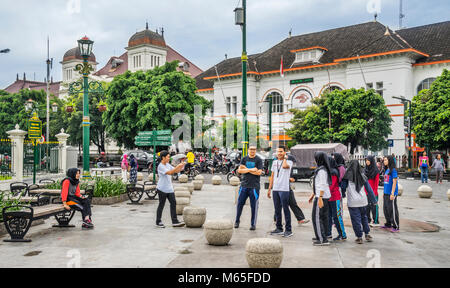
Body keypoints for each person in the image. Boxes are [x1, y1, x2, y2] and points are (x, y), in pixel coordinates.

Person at [341, 160, 373, 244]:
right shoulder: (363, 176)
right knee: (364, 218)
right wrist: (374, 200)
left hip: (353, 202)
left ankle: (359, 237)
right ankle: (367, 234)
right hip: (363, 201)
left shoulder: (347, 177)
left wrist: (343, 194)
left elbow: (343, 187)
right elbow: (369, 189)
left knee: (356, 220)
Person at [267, 146, 294, 238]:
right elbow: (273, 176)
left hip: (284, 189)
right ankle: (279, 228)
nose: (279, 153)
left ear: (285, 152)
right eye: (278, 152)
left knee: (285, 209)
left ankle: (288, 230)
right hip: (276, 189)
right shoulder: (274, 162)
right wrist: (269, 189)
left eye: (281, 151)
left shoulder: (289, 161)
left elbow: (285, 166)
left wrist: (285, 158)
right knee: (277, 209)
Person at [235, 146, 263, 230]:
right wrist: (252, 169)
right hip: (243, 186)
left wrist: (246, 169)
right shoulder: (244, 159)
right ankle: (237, 221)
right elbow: (239, 171)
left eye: (254, 149)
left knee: (254, 206)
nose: (252, 151)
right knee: (239, 204)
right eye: (251, 149)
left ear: (256, 151)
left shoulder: (258, 160)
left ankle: (253, 224)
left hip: (254, 187)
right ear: (248, 150)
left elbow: (259, 173)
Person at [156, 150, 186, 228]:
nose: (169, 158)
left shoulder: (167, 165)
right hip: (162, 188)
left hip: (169, 188)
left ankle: (175, 221)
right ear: (163, 157)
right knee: (161, 205)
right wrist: (178, 166)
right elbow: (170, 172)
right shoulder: (161, 166)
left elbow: (176, 170)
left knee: (173, 203)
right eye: (168, 157)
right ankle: (158, 221)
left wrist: (181, 166)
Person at [308, 151, 332, 246]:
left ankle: (322, 239)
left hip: (321, 197)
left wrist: (320, 198)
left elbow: (322, 184)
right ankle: (322, 235)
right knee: (323, 217)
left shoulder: (321, 170)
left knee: (316, 218)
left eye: (315, 157)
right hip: (322, 196)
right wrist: (313, 194)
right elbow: (318, 185)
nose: (314, 159)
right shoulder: (322, 169)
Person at [327, 156, 347, 242]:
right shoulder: (330, 171)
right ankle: (329, 233)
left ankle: (343, 234)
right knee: (329, 217)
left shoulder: (334, 172)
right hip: (329, 197)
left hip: (335, 197)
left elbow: (331, 186)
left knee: (337, 217)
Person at [381, 155, 400, 233]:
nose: (384, 161)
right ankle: (388, 223)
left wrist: (392, 193)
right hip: (386, 193)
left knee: (392, 209)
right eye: (384, 160)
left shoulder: (393, 170)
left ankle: (396, 225)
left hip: (391, 193)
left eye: (386, 160)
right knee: (386, 209)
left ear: (390, 161)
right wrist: (384, 192)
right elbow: (386, 183)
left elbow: (394, 182)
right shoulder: (386, 170)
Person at [364, 155, 380, 226]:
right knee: (367, 207)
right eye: (366, 160)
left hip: (373, 192)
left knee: (374, 207)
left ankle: (375, 221)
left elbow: (376, 183)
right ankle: (368, 220)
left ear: (371, 161)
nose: (367, 162)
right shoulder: (365, 170)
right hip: (366, 192)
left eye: (368, 160)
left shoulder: (376, 171)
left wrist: (375, 192)